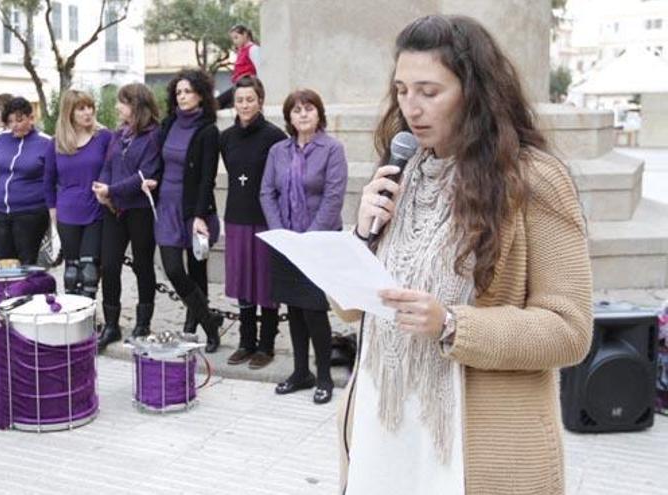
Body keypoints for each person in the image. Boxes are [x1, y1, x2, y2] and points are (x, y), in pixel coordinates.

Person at [338, 15, 593, 495]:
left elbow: (570, 330)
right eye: (401, 89)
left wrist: (453, 325)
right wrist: (360, 235)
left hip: (473, 450)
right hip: (384, 433)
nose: (410, 108)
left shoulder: (536, 181)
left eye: (429, 92)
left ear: (475, 92)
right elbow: (354, 309)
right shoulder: (401, 170)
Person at [260, 89, 348, 404]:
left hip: (317, 242)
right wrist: (280, 233)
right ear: (289, 118)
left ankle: (323, 375)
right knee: (293, 308)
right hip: (285, 242)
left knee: (313, 309)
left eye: (309, 108)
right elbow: (267, 192)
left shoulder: (332, 149)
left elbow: (333, 197)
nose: (303, 114)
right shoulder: (277, 151)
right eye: (296, 110)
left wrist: (308, 239)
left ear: (319, 114)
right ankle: (301, 372)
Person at [155, 68, 224, 354]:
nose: (183, 97)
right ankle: (210, 322)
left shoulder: (208, 130)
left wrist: (198, 216)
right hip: (166, 205)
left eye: (188, 91)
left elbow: (207, 177)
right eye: (179, 92)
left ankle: (193, 327)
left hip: (193, 209)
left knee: (197, 272)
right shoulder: (168, 123)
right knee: (173, 269)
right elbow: (160, 163)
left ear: (200, 95)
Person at [219, 76, 286, 367]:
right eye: (240, 100)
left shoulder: (275, 137)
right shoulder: (227, 138)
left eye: (250, 99)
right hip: (236, 216)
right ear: (234, 103)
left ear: (260, 101)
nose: (245, 105)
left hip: (264, 219)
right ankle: (246, 341)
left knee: (265, 284)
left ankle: (266, 345)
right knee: (243, 282)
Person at [92, 83, 161, 351]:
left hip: (140, 210)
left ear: (136, 105)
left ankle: (143, 323)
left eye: (122, 102)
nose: (118, 107)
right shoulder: (118, 134)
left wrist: (113, 189)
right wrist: (104, 191)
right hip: (113, 209)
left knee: (143, 265)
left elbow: (145, 173)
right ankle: (112, 325)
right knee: (109, 265)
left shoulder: (154, 136)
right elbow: (108, 165)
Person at [44, 90, 112, 299]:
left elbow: (112, 169)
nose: (88, 112)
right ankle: (73, 320)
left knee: (90, 270)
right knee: (72, 270)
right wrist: (53, 211)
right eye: (81, 108)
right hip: (67, 212)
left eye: (90, 107)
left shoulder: (104, 137)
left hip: (96, 210)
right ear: (69, 112)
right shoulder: (56, 143)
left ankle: (88, 319)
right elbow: (48, 181)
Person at [0, 97, 51, 266]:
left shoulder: (46, 143)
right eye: (10, 121)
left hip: (31, 213)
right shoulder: (0, 139)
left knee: (25, 264)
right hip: (0, 212)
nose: (15, 125)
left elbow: (53, 177)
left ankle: (25, 292)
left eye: (19, 120)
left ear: (31, 118)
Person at [217, 24, 261, 110]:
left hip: (247, 84)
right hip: (237, 84)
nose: (234, 41)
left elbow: (259, 69)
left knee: (219, 103)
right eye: (233, 39)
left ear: (245, 34)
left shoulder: (253, 49)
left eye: (236, 37)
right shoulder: (241, 51)